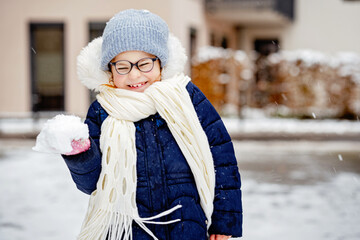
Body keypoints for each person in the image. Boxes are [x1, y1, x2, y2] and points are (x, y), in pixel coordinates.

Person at [33, 9, 242, 240]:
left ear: (161, 64)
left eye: (144, 64)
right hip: (127, 229)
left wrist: (224, 223)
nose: (134, 76)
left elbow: (222, 160)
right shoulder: (102, 112)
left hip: (186, 226)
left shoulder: (187, 99)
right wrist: (80, 154)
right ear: (110, 71)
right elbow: (92, 184)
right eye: (123, 66)